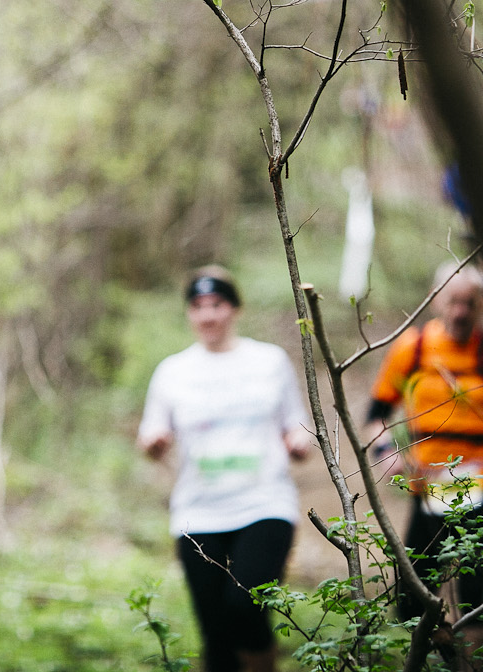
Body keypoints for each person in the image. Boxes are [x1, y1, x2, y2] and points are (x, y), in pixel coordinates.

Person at [138, 267, 313, 672]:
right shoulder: (173, 370)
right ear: (189, 314)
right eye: (198, 306)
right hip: (198, 510)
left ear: (235, 308)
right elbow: (151, 434)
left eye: (217, 304)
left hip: (265, 503)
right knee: (215, 631)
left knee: (246, 607)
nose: (208, 315)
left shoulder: (269, 361)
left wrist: (298, 442)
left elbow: (297, 425)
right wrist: (154, 442)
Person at [365, 261, 483, 621]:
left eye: (469, 303)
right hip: (430, 481)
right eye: (453, 301)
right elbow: (376, 413)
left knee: (472, 593)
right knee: (414, 592)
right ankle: (430, 646)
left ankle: (472, 646)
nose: (460, 312)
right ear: (436, 299)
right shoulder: (413, 348)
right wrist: (385, 449)